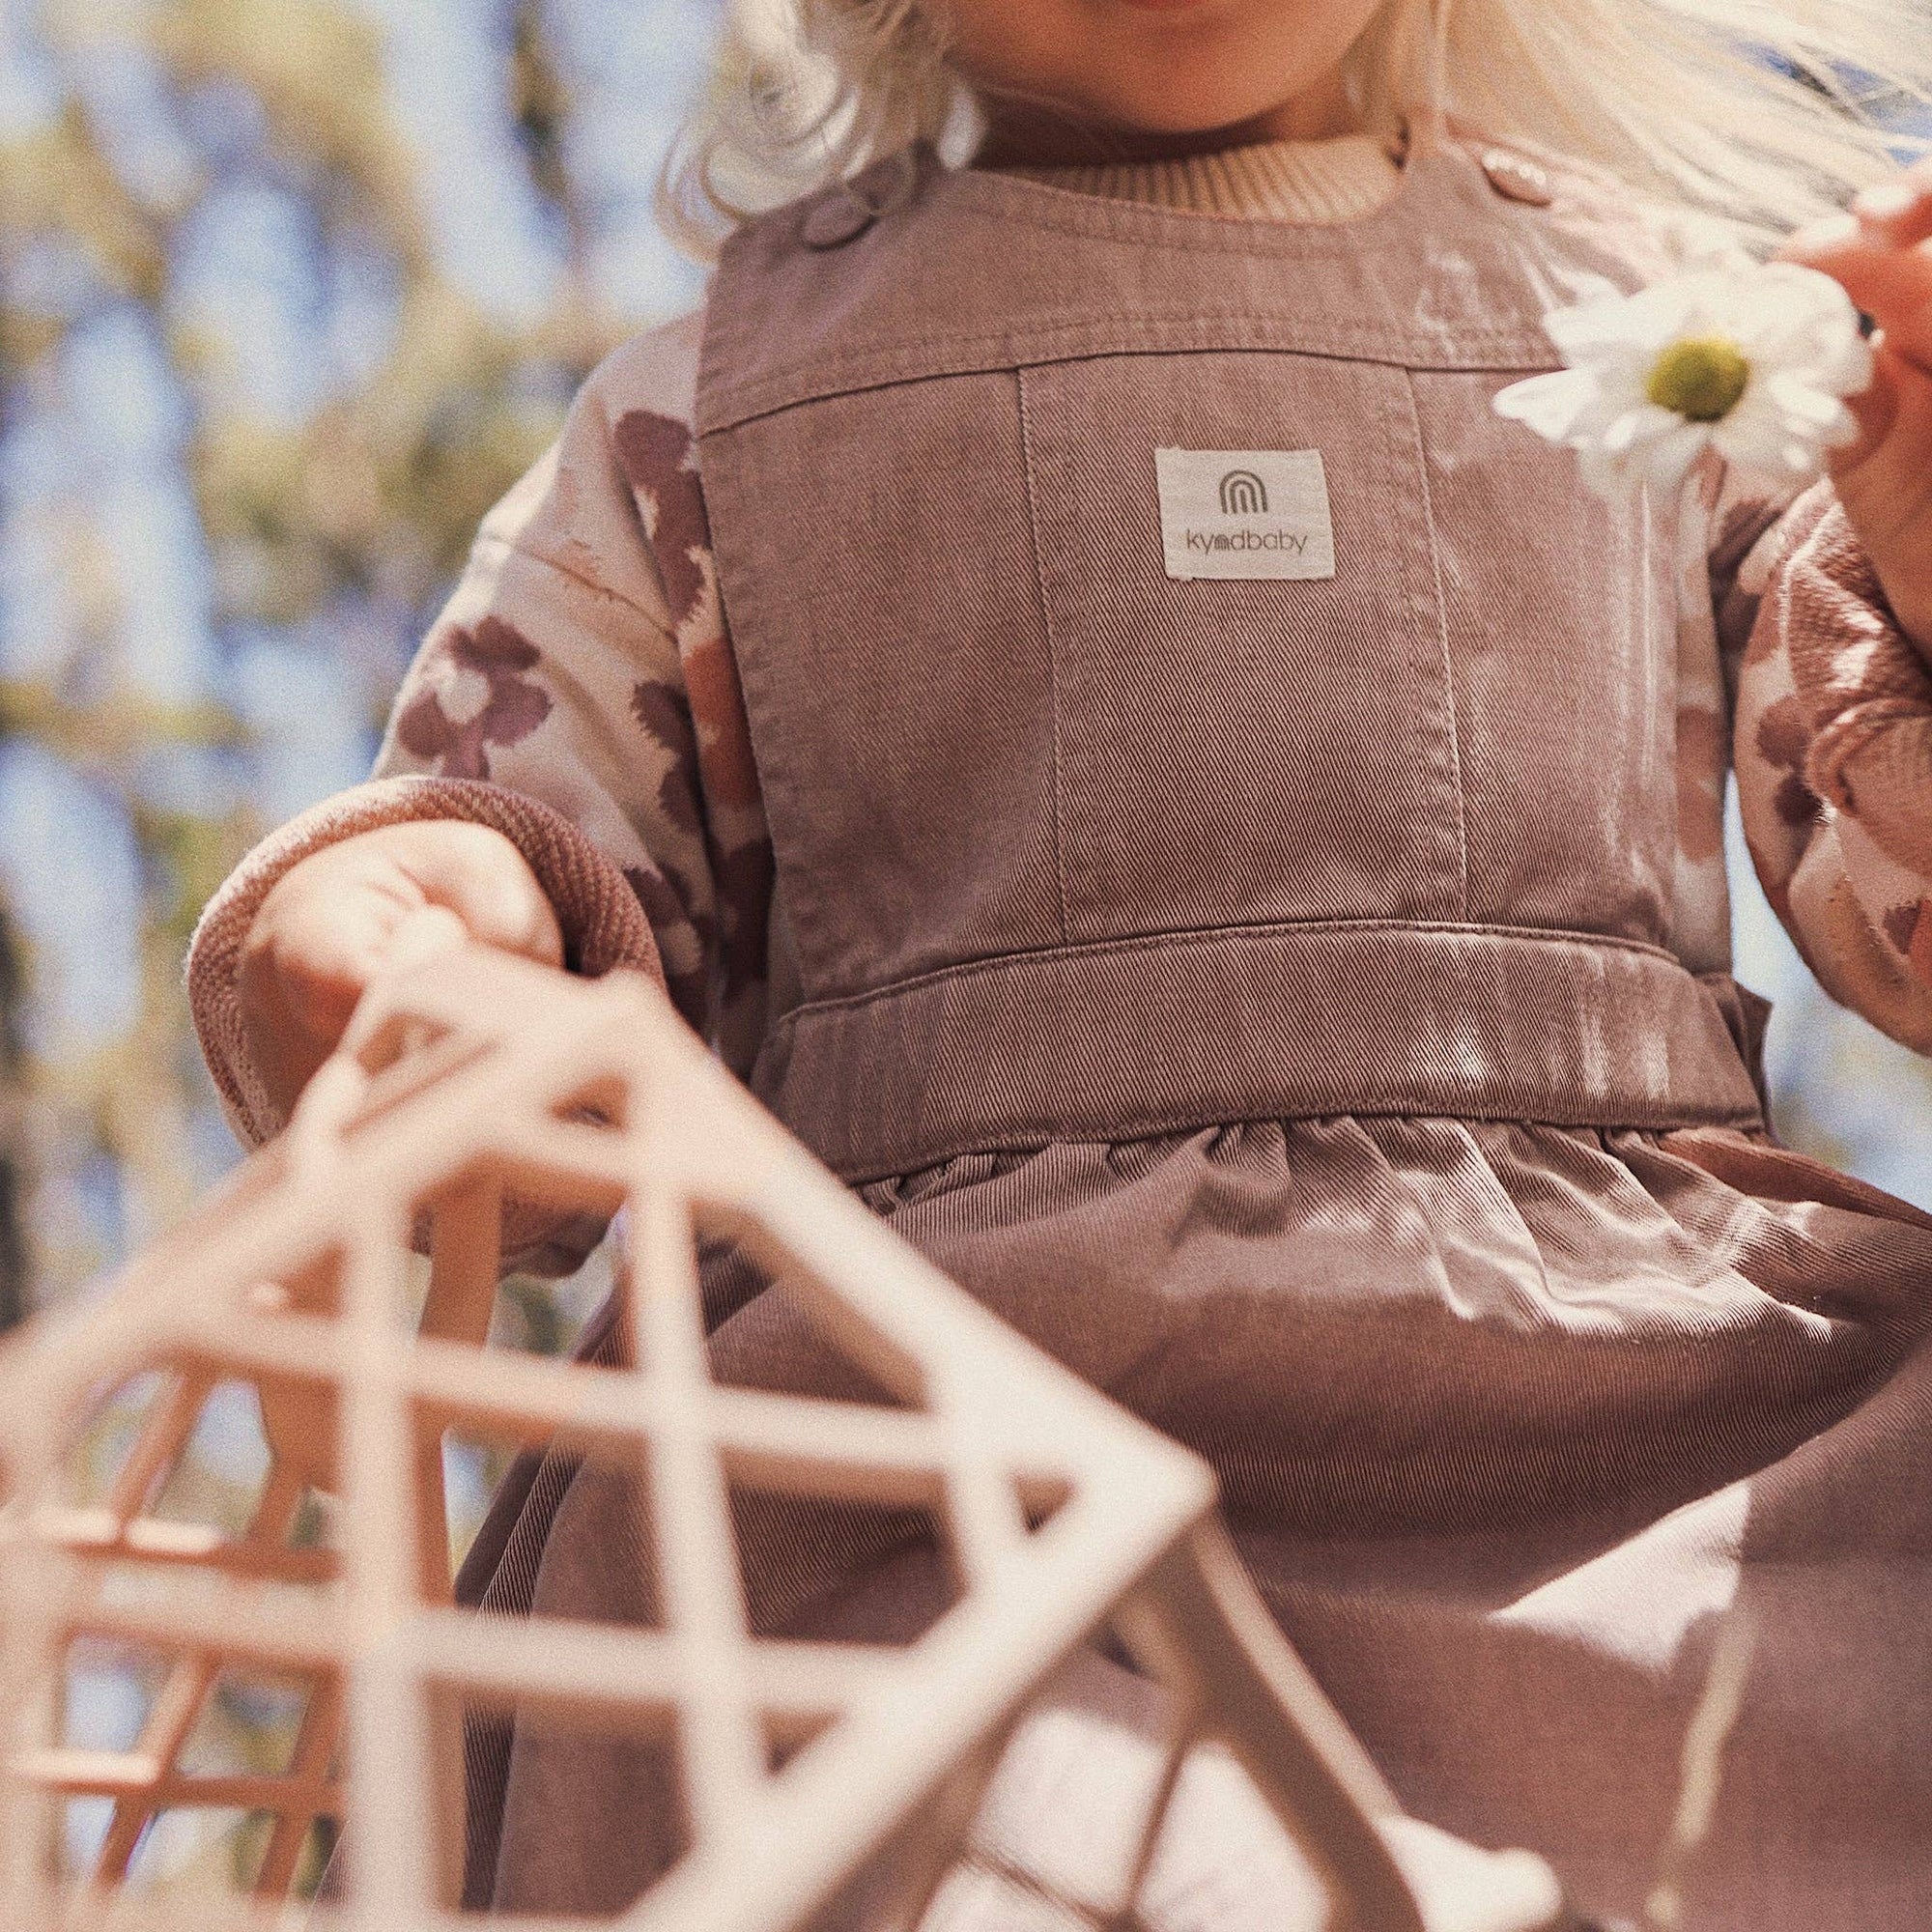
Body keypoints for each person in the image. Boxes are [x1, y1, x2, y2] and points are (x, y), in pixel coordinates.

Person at [186, 1, 1932, 1923]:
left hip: (1660, 1445)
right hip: (943, 1473)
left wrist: (1913, 566)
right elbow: (528, 854)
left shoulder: (1674, 354)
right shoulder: (714, 417)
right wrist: (417, 947)